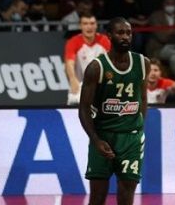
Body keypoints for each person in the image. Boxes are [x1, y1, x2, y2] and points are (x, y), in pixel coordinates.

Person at [78, 17, 149, 205]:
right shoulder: (96, 67)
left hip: (131, 138)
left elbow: (143, 99)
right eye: (120, 33)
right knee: (97, 198)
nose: (125, 37)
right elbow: (84, 108)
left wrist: (138, 127)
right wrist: (95, 139)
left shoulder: (143, 63)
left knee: (127, 195)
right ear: (109, 35)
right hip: (103, 136)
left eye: (128, 33)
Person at [64, 13, 111, 105]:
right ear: (80, 26)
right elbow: (69, 63)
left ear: (96, 25)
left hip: (101, 86)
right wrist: (72, 79)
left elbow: (113, 62)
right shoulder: (73, 42)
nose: (89, 27)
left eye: (92, 23)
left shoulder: (105, 41)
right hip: (79, 85)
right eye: (85, 24)